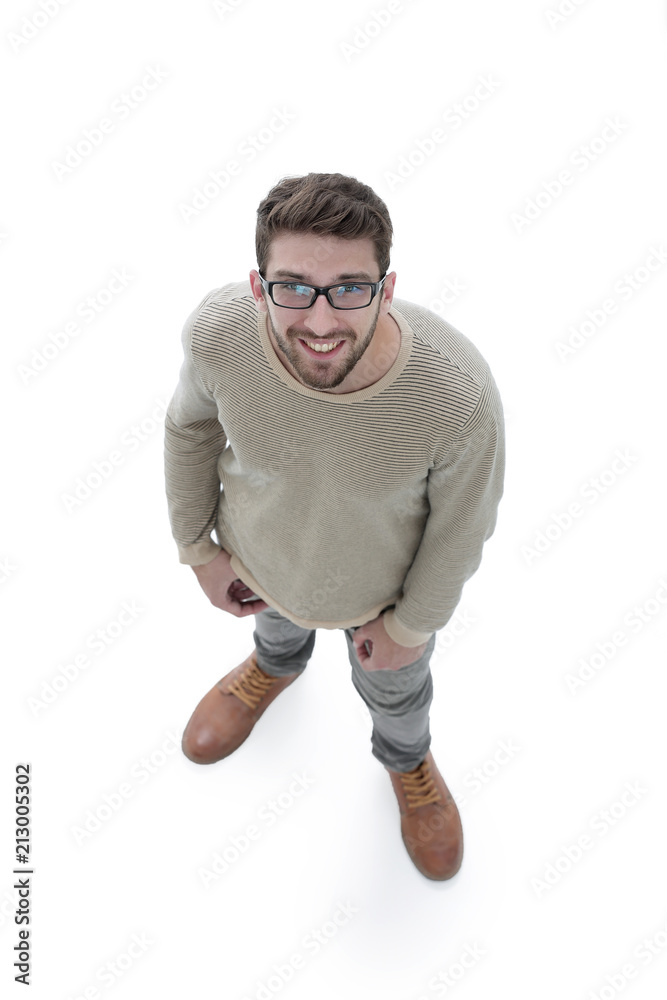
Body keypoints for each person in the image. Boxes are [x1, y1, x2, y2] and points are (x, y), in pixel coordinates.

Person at [163, 172, 505, 881]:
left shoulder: (455, 394)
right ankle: (275, 667)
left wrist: (407, 629)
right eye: (293, 287)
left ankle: (407, 762)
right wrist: (199, 549)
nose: (320, 322)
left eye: (350, 288)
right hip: (260, 565)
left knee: (398, 696)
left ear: (386, 287)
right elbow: (188, 429)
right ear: (258, 287)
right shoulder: (218, 333)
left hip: (380, 599)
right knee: (279, 626)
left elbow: (460, 531)